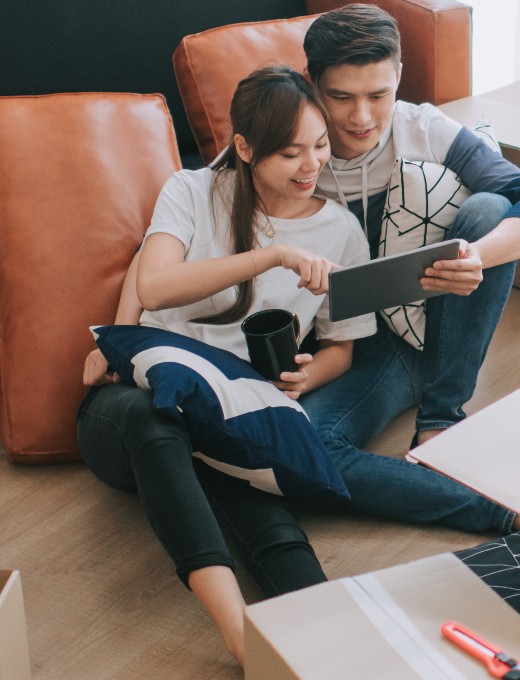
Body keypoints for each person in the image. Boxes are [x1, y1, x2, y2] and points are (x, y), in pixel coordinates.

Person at [76, 65, 377, 665]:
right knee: (153, 416)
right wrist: (270, 257)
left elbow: (340, 347)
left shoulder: (341, 231)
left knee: (261, 508)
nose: (312, 165)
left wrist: (306, 378)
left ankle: (341, 651)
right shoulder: (190, 191)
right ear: (244, 148)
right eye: (291, 152)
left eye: (319, 147)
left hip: (231, 409)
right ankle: (238, 634)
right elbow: (156, 286)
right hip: (140, 400)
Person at [296, 4, 520, 530]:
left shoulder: (424, 129)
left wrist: (476, 258)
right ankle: (497, 511)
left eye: (378, 94)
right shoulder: (288, 140)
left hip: (428, 335)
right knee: (305, 450)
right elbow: (203, 205)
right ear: (312, 84)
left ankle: (442, 418)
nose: (361, 118)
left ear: (399, 75)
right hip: (343, 350)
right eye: (341, 97)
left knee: (489, 211)